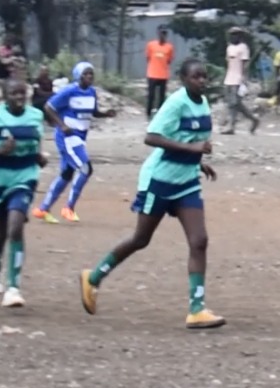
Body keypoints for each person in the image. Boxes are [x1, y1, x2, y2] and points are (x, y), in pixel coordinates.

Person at [79, 59, 225, 329]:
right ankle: (94, 277)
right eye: (196, 77)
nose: (202, 81)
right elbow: (152, 137)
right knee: (140, 239)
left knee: (199, 240)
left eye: (205, 76)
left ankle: (197, 309)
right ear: (183, 79)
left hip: (186, 182)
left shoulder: (202, 103)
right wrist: (192, 149)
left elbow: (185, 139)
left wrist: (197, 162)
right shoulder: (176, 103)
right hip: (159, 181)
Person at [0, 79, 47, 308]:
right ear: (5, 96)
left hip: (25, 178)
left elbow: (35, 144)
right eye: (14, 93)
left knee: (16, 227)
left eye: (22, 93)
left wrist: (38, 157)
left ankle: (13, 288)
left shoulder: (35, 116)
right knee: (1, 231)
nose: (19, 97)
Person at [34, 61, 115, 224]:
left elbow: (92, 112)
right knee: (85, 168)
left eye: (91, 73)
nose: (89, 77)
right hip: (68, 136)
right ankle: (68, 207)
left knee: (66, 174)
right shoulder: (70, 91)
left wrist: (105, 114)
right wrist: (61, 125)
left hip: (80, 137)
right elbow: (49, 107)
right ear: (78, 76)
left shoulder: (91, 92)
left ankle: (43, 209)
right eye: (85, 74)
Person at [221, 27, 259, 134]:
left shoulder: (243, 48)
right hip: (229, 78)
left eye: (236, 34)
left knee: (234, 102)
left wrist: (244, 79)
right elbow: (228, 63)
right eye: (232, 35)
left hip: (238, 78)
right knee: (233, 103)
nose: (233, 36)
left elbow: (245, 64)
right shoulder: (229, 48)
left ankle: (231, 126)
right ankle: (253, 119)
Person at [144, 26, 175, 116]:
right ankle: (148, 113)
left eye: (165, 33)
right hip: (152, 74)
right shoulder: (151, 45)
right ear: (158, 34)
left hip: (163, 75)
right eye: (161, 33)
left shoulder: (169, 47)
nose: (163, 35)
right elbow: (148, 58)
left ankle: (161, 113)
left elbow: (169, 60)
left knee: (162, 96)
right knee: (151, 95)